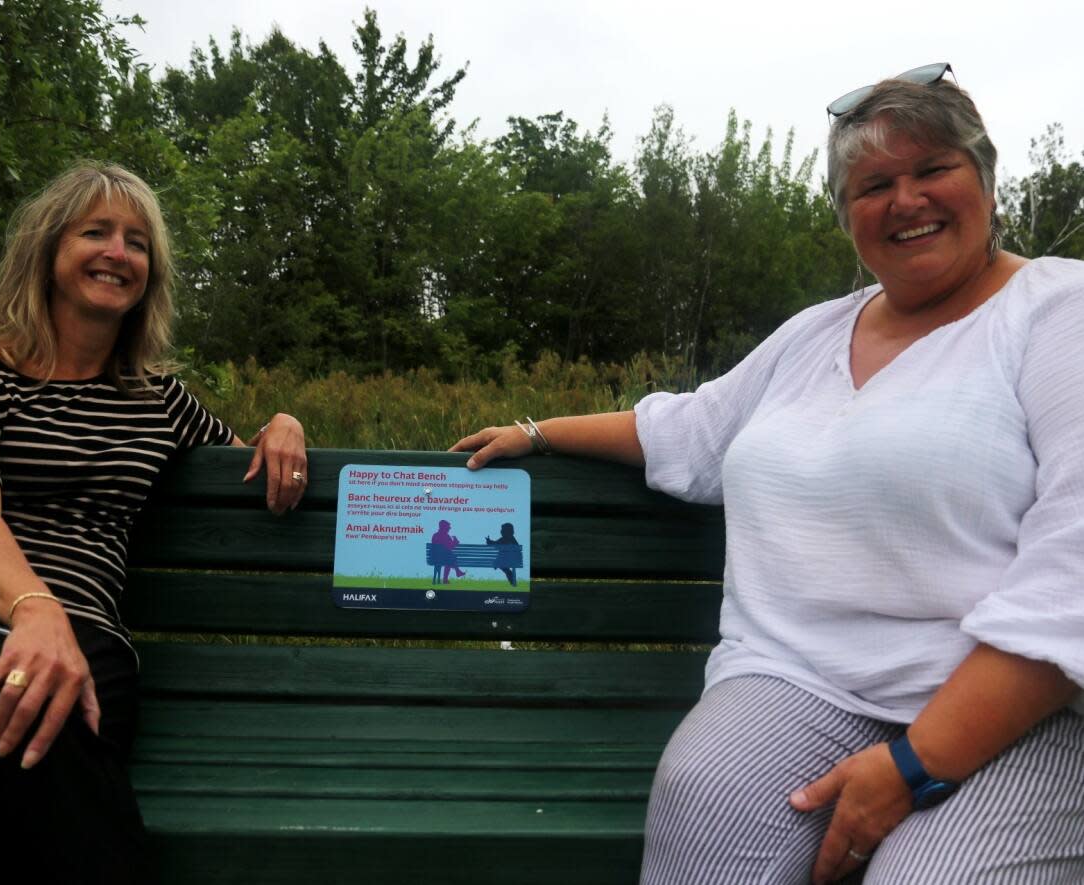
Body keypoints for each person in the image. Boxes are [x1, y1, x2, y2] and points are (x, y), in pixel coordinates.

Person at [452, 65, 1084, 884]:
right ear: (846, 216)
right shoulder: (813, 333)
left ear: (987, 181)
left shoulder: (1056, 312)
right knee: (702, 799)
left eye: (933, 169)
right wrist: (537, 432)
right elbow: (694, 427)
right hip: (798, 681)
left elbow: (1074, 569)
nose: (906, 200)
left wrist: (914, 763)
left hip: (1022, 711)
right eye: (873, 184)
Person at [0, 161, 308, 884]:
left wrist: (284, 424)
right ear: (49, 253)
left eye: (137, 242)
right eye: (96, 232)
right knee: (30, 725)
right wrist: (34, 613)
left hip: (89, 646)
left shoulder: (160, 402)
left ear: (149, 275)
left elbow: (249, 465)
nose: (118, 253)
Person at [429, 519, 465, 583]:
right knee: (450, 557)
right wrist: (456, 541)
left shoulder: (435, 535)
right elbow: (451, 547)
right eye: (448, 527)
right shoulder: (446, 536)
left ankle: (456, 572)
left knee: (449, 557)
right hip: (443, 559)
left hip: (434, 559)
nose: (449, 529)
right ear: (444, 527)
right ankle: (455, 573)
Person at [484, 522, 519, 586]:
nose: (501, 531)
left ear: (506, 531)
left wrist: (489, 541)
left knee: (503, 565)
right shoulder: (513, 539)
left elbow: (495, 544)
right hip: (513, 561)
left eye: (502, 530)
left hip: (506, 560)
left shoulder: (504, 539)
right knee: (505, 568)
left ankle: (497, 563)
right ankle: (512, 581)